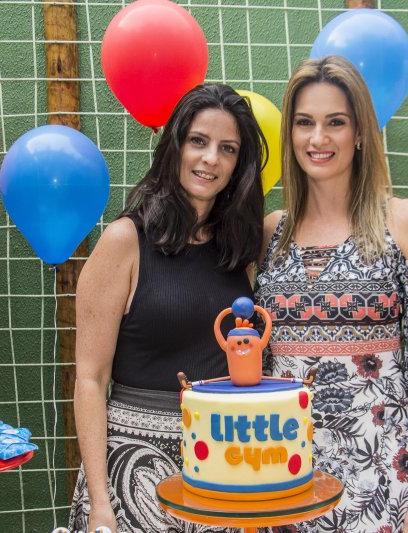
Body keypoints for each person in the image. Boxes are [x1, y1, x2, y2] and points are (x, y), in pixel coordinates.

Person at [254, 56, 408, 533]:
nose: (318, 139)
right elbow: (257, 367)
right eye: (304, 123)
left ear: (359, 132)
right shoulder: (268, 235)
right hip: (285, 481)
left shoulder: (405, 224)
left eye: (335, 123)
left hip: (384, 481)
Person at [69, 84, 266, 533]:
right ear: (175, 146)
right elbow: (91, 379)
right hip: (132, 467)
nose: (210, 159)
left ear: (239, 166)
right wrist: (101, 501)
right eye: (198, 141)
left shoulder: (240, 251)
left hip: (223, 462)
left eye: (227, 149)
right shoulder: (125, 241)